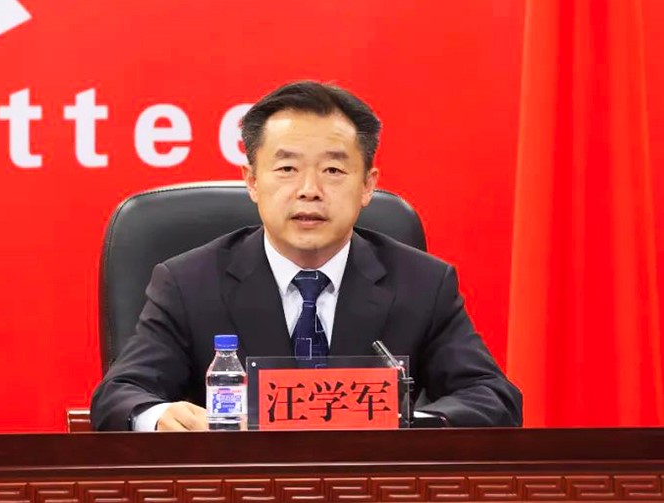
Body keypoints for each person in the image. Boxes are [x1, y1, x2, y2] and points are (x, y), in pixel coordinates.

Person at [91, 81, 522, 431]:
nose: (309, 190)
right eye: (286, 169)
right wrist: (160, 416)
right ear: (252, 181)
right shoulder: (188, 283)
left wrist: (404, 424)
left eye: (333, 170)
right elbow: (119, 396)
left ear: (368, 185)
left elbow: (493, 398)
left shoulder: (422, 284)